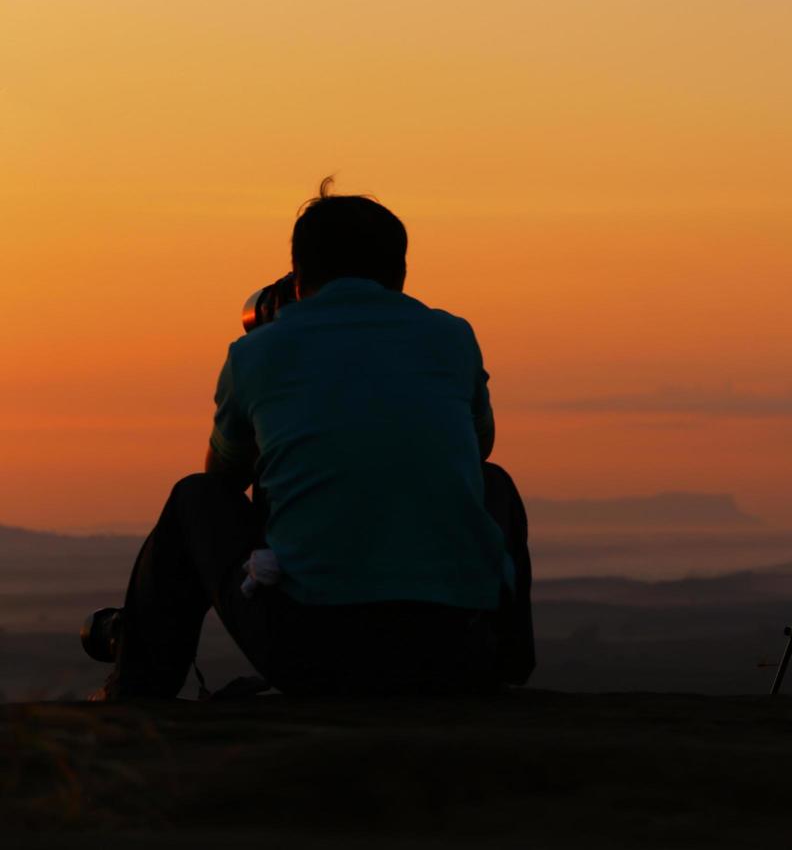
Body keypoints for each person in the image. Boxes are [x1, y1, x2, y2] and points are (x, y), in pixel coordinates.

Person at [96, 179, 533, 699]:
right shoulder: (454, 337)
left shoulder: (258, 353)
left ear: (298, 276)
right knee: (493, 483)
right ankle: (507, 659)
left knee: (196, 497)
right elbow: (478, 448)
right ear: (401, 273)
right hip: (454, 650)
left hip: (315, 651)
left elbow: (224, 481)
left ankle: (137, 686)